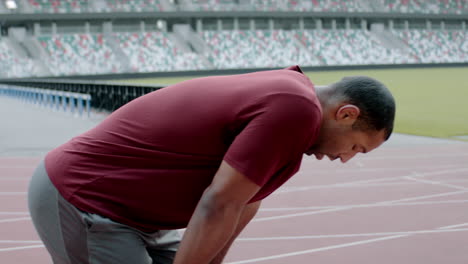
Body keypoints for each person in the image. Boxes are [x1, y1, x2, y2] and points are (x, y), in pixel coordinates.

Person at [28, 65, 395, 264]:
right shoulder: (296, 109)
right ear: (346, 114)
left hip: (136, 217)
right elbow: (218, 204)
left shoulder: (294, 118)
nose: (344, 159)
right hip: (86, 199)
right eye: (356, 148)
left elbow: (241, 207)